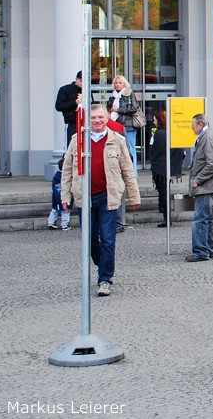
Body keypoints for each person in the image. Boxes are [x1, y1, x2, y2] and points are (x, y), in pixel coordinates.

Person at [61, 103, 140, 297]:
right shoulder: (78, 140)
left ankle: (105, 278)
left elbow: (128, 170)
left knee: (107, 239)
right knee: (90, 240)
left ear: (107, 119)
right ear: (88, 120)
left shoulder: (117, 140)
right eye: (93, 118)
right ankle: (102, 261)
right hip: (85, 197)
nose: (96, 121)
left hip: (108, 196)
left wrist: (133, 196)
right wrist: (65, 196)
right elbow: (68, 169)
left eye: (100, 118)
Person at [185, 114, 213, 262]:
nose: (191, 127)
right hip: (206, 185)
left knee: (200, 219)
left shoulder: (207, 137)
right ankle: (210, 249)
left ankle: (201, 251)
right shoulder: (206, 135)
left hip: (205, 185)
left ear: (200, 125)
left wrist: (198, 180)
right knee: (206, 218)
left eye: (193, 124)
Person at [149, 110, 185, 228]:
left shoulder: (160, 134)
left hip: (161, 169)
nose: (153, 122)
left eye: (155, 119)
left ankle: (166, 217)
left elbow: (155, 151)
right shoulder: (171, 133)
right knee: (164, 192)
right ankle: (165, 213)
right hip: (167, 168)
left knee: (163, 193)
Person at [108, 75, 143, 175]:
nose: (118, 85)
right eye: (116, 83)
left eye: (120, 83)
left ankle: (133, 173)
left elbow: (134, 108)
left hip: (128, 125)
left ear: (124, 84)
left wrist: (118, 109)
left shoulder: (129, 93)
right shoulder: (112, 96)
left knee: (131, 149)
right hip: (116, 125)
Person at [55, 71, 88, 144]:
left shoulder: (87, 90)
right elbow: (59, 106)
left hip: (86, 123)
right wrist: (75, 102)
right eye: (82, 81)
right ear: (76, 79)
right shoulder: (65, 89)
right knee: (71, 145)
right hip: (72, 122)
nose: (84, 83)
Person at [46, 158, 70, 231]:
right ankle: (64, 225)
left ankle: (51, 222)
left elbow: (53, 185)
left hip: (56, 195)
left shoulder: (56, 175)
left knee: (54, 209)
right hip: (64, 195)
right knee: (65, 210)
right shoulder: (66, 176)